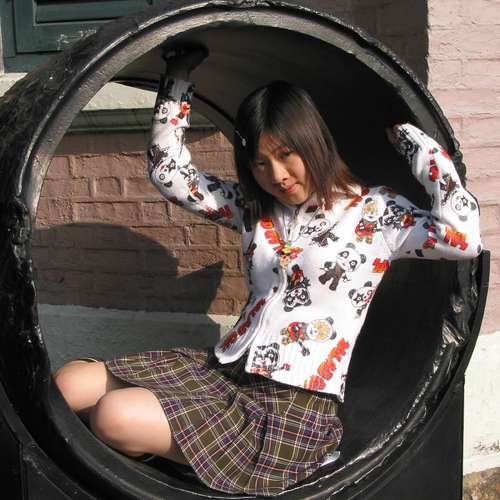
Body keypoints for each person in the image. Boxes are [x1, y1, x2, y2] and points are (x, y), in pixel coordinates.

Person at [54, 47, 483, 497]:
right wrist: (177, 76)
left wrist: (418, 145)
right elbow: (171, 174)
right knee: (69, 385)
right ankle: (186, 451)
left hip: (290, 407)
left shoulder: (375, 214)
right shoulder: (254, 208)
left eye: (287, 154)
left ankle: (185, 456)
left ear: (314, 142)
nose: (277, 175)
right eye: (261, 162)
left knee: (113, 416)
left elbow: (463, 238)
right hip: (223, 371)